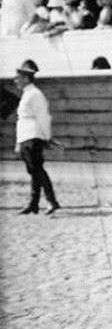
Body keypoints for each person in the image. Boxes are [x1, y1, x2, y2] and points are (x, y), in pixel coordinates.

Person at [13, 60, 60, 215]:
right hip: (26, 137)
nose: (15, 80)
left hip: (34, 136)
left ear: (26, 78)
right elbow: (22, 120)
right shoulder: (27, 94)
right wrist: (19, 142)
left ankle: (51, 201)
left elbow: (43, 117)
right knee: (33, 170)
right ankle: (34, 204)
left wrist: (47, 137)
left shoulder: (35, 94)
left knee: (37, 169)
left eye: (18, 77)